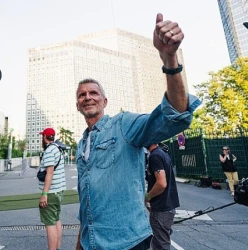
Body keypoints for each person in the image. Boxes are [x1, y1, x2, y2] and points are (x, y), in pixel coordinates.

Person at [75, 13, 201, 250]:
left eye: (93, 93)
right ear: (77, 104)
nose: (87, 97)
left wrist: (169, 59)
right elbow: (86, 202)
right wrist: (80, 243)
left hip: (128, 243)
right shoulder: (81, 145)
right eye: (82, 95)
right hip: (91, 243)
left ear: (104, 101)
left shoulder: (123, 125)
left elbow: (175, 115)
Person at [145, 143, 180, 250]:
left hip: (161, 208)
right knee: (161, 242)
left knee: (160, 245)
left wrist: (147, 196)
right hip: (167, 206)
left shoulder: (155, 156)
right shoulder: (163, 153)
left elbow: (161, 183)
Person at [38, 128, 66, 250]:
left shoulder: (49, 151)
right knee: (56, 220)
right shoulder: (57, 149)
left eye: (42, 136)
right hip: (59, 191)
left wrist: (44, 194)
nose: (41, 139)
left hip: (51, 193)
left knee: (49, 223)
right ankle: (57, 247)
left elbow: (49, 173)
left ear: (45, 137)